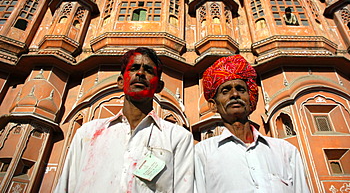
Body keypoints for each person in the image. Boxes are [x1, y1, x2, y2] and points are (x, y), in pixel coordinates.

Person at [55, 47, 194, 193]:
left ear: (159, 86)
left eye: (148, 70)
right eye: (134, 68)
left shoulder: (177, 138)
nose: (140, 73)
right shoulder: (87, 134)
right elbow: (65, 186)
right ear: (121, 82)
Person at [194, 55, 310, 193]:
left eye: (241, 89)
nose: (235, 94)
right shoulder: (202, 153)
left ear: (251, 99)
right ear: (214, 105)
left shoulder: (285, 151)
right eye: (225, 91)